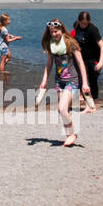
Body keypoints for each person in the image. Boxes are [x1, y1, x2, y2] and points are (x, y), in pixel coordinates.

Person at [36, 18, 91, 146]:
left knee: (61, 109)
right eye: (51, 32)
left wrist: (85, 83)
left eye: (56, 31)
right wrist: (44, 82)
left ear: (61, 30)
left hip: (72, 80)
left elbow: (81, 63)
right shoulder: (51, 45)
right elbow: (49, 65)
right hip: (59, 81)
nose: (54, 34)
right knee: (63, 109)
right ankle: (69, 136)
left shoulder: (70, 43)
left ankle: (73, 134)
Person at [71, 11, 103, 110]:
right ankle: (89, 105)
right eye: (82, 23)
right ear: (79, 21)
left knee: (92, 81)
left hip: (93, 59)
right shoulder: (77, 27)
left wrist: (101, 62)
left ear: (89, 22)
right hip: (82, 59)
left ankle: (92, 105)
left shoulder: (92, 29)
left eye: (86, 23)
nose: (84, 25)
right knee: (82, 81)